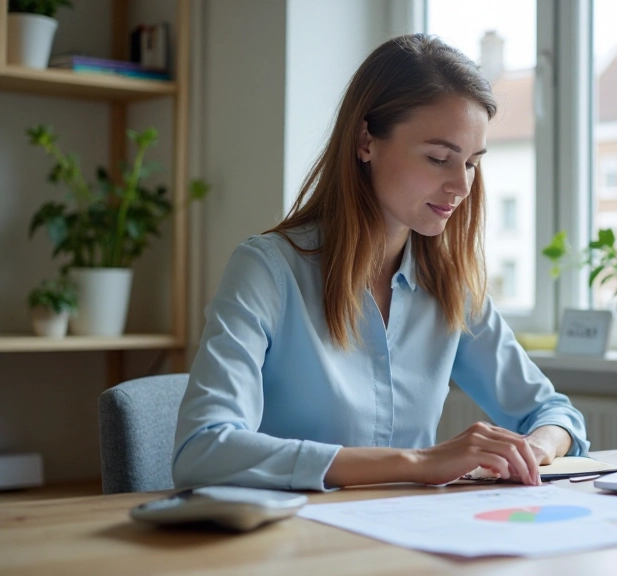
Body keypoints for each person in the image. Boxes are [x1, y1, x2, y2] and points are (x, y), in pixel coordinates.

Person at [173, 34, 589, 491]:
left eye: (471, 163)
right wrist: (416, 463)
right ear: (365, 140)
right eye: (438, 158)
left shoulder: (451, 286)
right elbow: (203, 449)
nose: (461, 186)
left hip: (404, 542)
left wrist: (534, 448)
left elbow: (554, 413)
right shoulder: (267, 271)